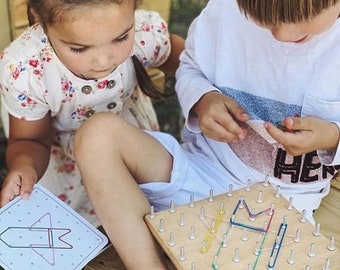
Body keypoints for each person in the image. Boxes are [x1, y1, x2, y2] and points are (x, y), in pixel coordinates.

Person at [70, 0, 340, 268]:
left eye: (304, 17)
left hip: (281, 212)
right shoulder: (223, 11)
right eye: (264, 19)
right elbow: (189, 66)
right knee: (97, 136)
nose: (282, 33)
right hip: (199, 175)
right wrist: (203, 99)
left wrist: (331, 137)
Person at [0, 0, 184, 229]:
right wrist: (25, 166)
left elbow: (184, 62)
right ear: (40, 18)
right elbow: (30, 139)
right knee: (81, 231)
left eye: (120, 38)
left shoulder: (142, 34)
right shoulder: (27, 71)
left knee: (142, 217)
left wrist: (206, 94)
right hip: (62, 165)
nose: (104, 61)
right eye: (79, 48)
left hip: (129, 143)